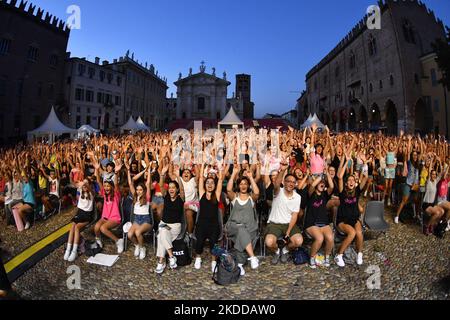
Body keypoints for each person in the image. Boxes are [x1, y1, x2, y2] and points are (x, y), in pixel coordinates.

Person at [265, 160, 303, 265]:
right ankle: (277, 252)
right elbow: (276, 183)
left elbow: (295, 215)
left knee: (298, 241)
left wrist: (288, 231)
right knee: (269, 242)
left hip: (288, 224)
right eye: (288, 181)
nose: (290, 183)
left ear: (295, 185)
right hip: (275, 223)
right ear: (284, 182)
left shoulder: (297, 197)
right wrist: (283, 170)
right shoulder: (278, 192)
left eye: (293, 182)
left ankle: (285, 250)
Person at [225, 164, 260, 275]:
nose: (243, 186)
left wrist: (250, 177)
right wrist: (234, 173)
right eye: (241, 184)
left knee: (243, 235)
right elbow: (228, 189)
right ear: (238, 185)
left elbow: (257, 192)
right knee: (240, 230)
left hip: (249, 227)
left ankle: (240, 264)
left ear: (248, 185)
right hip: (233, 226)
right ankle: (252, 257)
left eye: (245, 184)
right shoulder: (235, 197)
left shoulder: (251, 198)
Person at [334, 154, 368, 267]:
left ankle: (359, 253)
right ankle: (339, 255)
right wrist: (346, 161)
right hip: (342, 220)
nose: (351, 181)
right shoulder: (342, 192)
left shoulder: (357, 191)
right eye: (349, 180)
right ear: (346, 183)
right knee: (352, 233)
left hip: (354, 219)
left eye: (353, 180)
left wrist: (365, 163)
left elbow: (366, 177)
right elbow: (339, 177)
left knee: (359, 233)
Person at [193, 163, 225, 272]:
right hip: (201, 224)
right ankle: (198, 257)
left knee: (213, 242)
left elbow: (220, 179)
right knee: (199, 241)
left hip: (214, 225)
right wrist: (203, 165)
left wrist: (219, 168)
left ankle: (213, 261)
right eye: (208, 182)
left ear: (214, 185)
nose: (210, 184)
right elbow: (201, 177)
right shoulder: (202, 193)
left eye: (212, 183)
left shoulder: (216, 194)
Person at [154, 163, 185, 274]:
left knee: (161, 236)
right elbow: (161, 186)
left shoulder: (180, 198)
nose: (171, 189)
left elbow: (182, 189)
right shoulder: (166, 197)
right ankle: (170, 257)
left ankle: (161, 262)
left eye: (173, 188)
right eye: (170, 187)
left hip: (175, 226)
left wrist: (178, 177)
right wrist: (162, 175)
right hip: (164, 223)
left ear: (176, 190)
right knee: (162, 232)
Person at [304, 165, 335, 269]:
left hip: (323, 223)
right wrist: (320, 176)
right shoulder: (311, 194)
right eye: (320, 183)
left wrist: (326, 174)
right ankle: (312, 257)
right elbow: (312, 185)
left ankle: (327, 257)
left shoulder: (325, 195)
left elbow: (331, 186)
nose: (322, 184)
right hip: (311, 223)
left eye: (323, 183)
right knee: (320, 238)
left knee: (330, 238)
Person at [93, 160, 123, 253]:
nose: (106, 188)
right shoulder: (104, 193)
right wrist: (97, 169)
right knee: (96, 227)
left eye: (108, 186)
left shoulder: (116, 194)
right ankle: (98, 241)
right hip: (105, 217)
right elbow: (98, 181)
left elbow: (117, 184)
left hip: (114, 218)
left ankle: (118, 241)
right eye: (105, 186)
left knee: (103, 228)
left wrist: (117, 172)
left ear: (112, 187)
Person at [125, 163, 153, 260]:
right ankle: (137, 245)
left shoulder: (147, 197)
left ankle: (142, 248)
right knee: (129, 234)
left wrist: (148, 171)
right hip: (137, 219)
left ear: (144, 190)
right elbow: (131, 182)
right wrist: (128, 170)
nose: (138, 191)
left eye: (140, 190)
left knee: (137, 233)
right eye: (137, 190)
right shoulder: (135, 196)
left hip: (146, 220)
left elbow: (148, 183)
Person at [64, 180, 94, 261]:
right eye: (83, 185)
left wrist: (85, 183)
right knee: (72, 227)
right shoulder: (80, 191)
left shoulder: (91, 193)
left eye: (86, 185)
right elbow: (75, 184)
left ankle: (74, 250)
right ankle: (68, 249)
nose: (84, 186)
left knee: (77, 227)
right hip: (80, 213)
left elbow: (88, 188)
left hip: (87, 214)